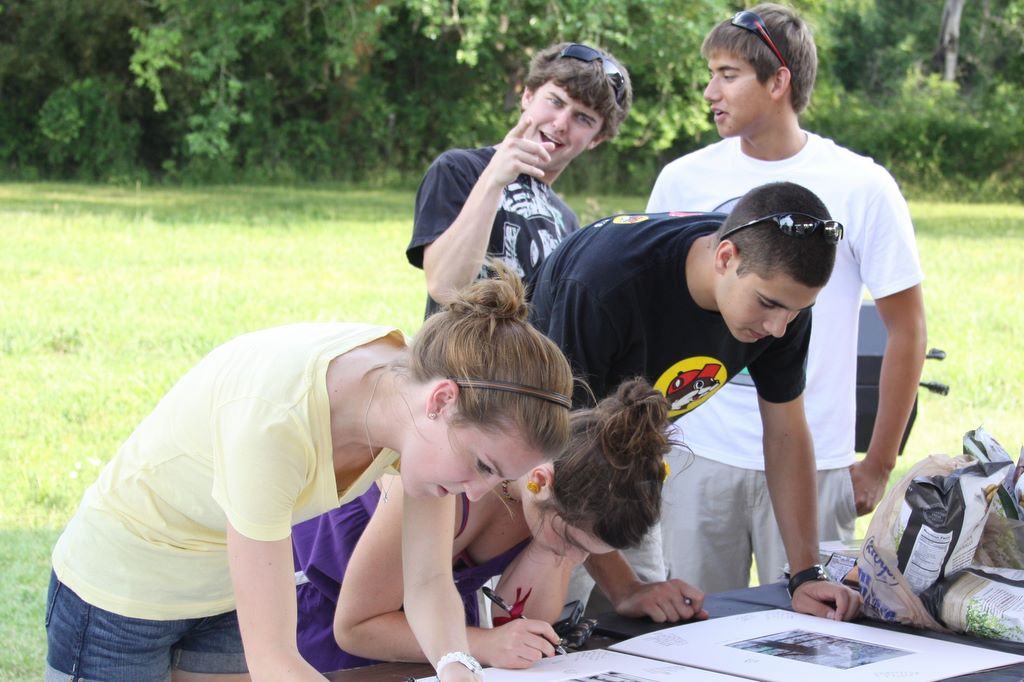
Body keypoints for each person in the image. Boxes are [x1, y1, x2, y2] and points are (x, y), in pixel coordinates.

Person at [45, 264, 573, 682]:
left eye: (498, 478)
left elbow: (429, 580)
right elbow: (275, 662)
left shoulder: (413, 403)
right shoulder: (275, 421)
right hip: (123, 590)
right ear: (441, 400)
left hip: (227, 584)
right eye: (482, 466)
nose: (477, 493)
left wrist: (457, 666)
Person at [647, 3, 926, 592]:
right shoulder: (682, 180)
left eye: (728, 75)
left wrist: (878, 463)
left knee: (816, 626)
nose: (710, 92)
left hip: (813, 461)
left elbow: (906, 328)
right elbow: (652, 317)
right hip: (698, 458)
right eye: (711, 74)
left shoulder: (862, 185)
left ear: (778, 82)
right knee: (692, 629)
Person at [530, 180, 862, 621]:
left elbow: (786, 433)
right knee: (552, 625)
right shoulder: (605, 283)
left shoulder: (780, 300)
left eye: (797, 311)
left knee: (647, 622)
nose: (779, 328)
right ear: (725, 258)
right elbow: (557, 453)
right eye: (768, 304)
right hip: (535, 458)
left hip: (630, 455)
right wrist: (625, 586)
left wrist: (806, 576)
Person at [291, 378, 697, 672]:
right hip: (325, 610)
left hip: (435, 635)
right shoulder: (449, 479)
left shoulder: (548, 509)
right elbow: (356, 628)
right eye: (571, 542)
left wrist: (548, 550)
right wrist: (483, 644)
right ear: (541, 480)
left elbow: (524, 626)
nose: (575, 558)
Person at [406, 41, 632, 316]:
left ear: (596, 139)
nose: (561, 123)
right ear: (528, 95)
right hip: (455, 345)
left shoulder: (566, 221)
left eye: (583, 118)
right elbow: (445, 288)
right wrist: (494, 179)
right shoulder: (459, 169)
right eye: (556, 101)